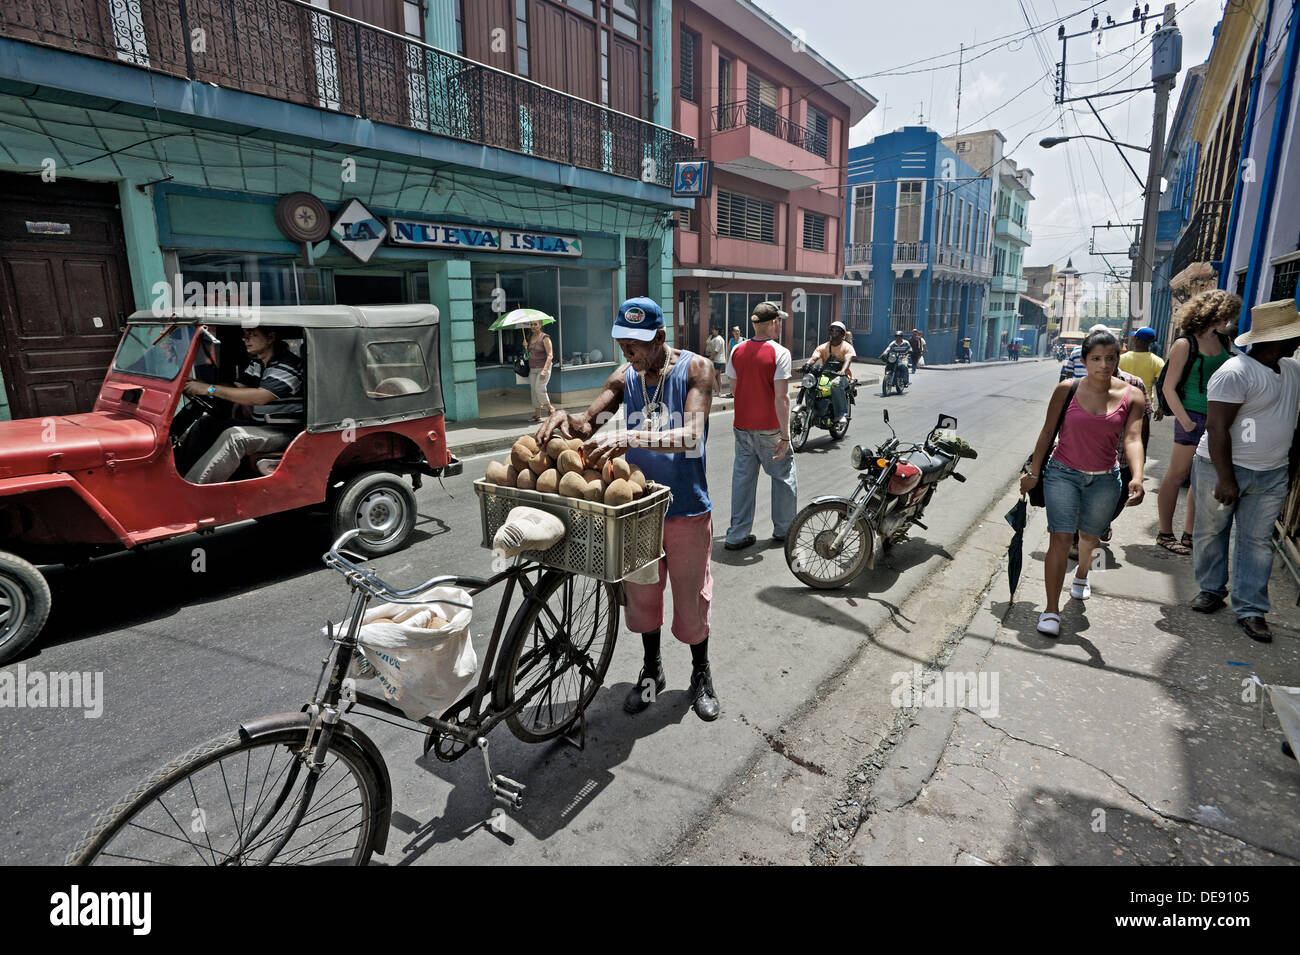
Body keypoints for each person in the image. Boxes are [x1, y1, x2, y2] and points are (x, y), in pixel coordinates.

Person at [534, 297, 720, 721]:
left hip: (688, 507)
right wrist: (566, 418)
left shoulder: (696, 370)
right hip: (639, 511)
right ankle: (651, 671)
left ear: (659, 338)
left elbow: (692, 435)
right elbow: (589, 424)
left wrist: (634, 439)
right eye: (622, 344)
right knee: (642, 596)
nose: (628, 353)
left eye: (636, 345)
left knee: (691, 599)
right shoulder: (625, 376)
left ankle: (701, 672)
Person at [1020, 327, 1145, 637]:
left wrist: (1138, 476)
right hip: (1062, 473)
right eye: (1096, 358)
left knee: (1090, 538)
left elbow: (1132, 437)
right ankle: (1051, 609)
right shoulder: (1068, 389)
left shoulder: (1133, 395)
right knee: (1060, 538)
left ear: (1119, 359)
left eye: (1110, 358)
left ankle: (1082, 576)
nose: (1103, 365)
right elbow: (1047, 432)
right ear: (1085, 360)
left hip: (1105, 480)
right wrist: (1035, 472)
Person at [1190, 298, 1300, 643]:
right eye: (1293, 334)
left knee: (1256, 542)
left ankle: (1251, 609)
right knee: (1211, 531)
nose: (1298, 340)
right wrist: (1226, 478)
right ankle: (1211, 589)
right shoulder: (1235, 373)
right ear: (1275, 339)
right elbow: (1217, 427)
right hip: (1221, 467)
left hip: (1271, 473)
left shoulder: (1293, 370)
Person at [1155, 290, 1239, 555]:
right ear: (1215, 313)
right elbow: (1168, 388)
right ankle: (1164, 533)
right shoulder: (1185, 344)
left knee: (1200, 480)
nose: (1230, 320)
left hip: (1218, 419)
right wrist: (1187, 423)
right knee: (1177, 474)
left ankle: (1189, 534)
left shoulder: (1223, 341)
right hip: (1191, 416)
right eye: (1227, 314)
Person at [183, 326, 305, 484]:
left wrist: (210, 389)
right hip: (261, 425)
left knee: (235, 436)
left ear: (270, 338)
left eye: (252, 335)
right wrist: (201, 385)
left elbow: (259, 397)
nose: (245, 339)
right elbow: (237, 387)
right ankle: (181, 474)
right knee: (206, 424)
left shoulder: (287, 366)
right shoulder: (259, 363)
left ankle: (193, 490)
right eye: (245, 335)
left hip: (286, 432)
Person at [724, 302, 796, 551]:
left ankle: (736, 534)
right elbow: (782, 397)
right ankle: (784, 528)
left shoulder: (736, 350)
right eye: (780, 322)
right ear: (774, 323)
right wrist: (785, 436)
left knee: (743, 479)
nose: (780, 326)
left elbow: (734, 389)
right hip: (770, 428)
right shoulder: (780, 353)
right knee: (783, 476)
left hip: (742, 426)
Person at [807, 319, 856, 427]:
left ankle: (841, 414)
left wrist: (843, 371)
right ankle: (811, 410)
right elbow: (814, 357)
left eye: (837, 330)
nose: (834, 332)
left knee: (836, 384)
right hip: (825, 374)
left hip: (842, 376)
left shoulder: (847, 347)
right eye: (832, 330)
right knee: (809, 383)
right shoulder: (824, 346)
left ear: (842, 333)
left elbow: (848, 360)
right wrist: (807, 365)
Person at [1119, 326, 1165, 393]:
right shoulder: (1158, 361)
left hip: (1125, 399)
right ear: (1150, 342)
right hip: (1145, 401)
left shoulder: (1122, 358)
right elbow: (1161, 384)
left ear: (1136, 339)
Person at [526, 318, 554, 423]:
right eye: (531, 324)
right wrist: (525, 347)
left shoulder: (545, 338)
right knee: (534, 391)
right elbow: (528, 355)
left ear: (540, 325)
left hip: (543, 368)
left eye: (535, 324)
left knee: (539, 389)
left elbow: (550, 355)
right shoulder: (529, 337)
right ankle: (537, 415)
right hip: (532, 368)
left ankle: (550, 408)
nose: (533, 326)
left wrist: (544, 370)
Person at [706, 326, 727, 395]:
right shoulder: (720, 338)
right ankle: (720, 391)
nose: (713, 331)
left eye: (714, 330)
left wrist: (709, 358)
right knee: (718, 376)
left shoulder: (718, 339)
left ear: (717, 331)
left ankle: (718, 391)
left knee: (712, 376)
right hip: (721, 360)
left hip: (718, 360)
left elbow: (716, 351)